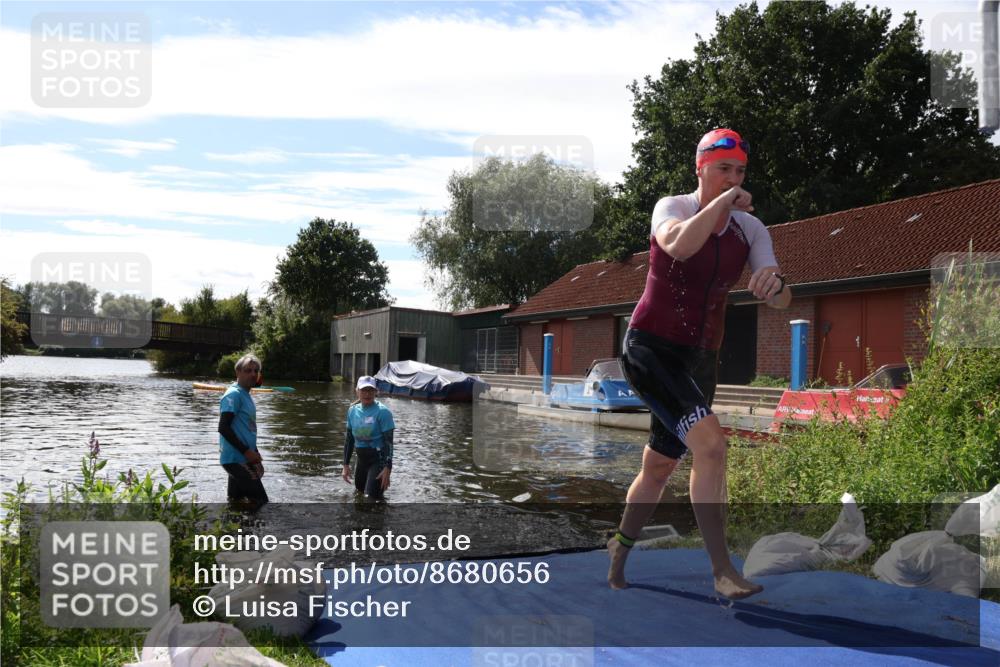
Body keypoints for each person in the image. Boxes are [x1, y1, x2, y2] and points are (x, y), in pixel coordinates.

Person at [607, 128, 791, 599]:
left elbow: (780, 293)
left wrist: (774, 287)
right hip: (650, 349)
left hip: (700, 359)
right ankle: (722, 570)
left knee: (658, 468)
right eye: (723, 169)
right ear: (701, 168)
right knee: (711, 446)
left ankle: (619, 549)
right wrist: (724, 202)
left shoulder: (751, 229)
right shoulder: (673, 207)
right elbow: (681, 247)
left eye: (740, 171)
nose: (733, 178)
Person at [217, 354, 269, 509]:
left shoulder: (244, 394)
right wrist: (247, 452)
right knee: (262, 502)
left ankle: (233, 531)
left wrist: (255, 455)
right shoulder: (234, 394)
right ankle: (249, 532)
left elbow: (246, 430)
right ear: (238, 372)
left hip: (241, 457)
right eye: (248, 370)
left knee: (235, 503)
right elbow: (223, 428)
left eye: (256, 371)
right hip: (236, 459)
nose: (253, 374)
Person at [342, 376, 395, 500]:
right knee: (359, 494)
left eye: (370, 390)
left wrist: (388, 468)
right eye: (364, 390)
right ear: (357, 391)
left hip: (378, 461)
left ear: (376, 391)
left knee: (371, 498)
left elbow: (389, 443)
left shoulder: (383, 412)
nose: (367, 394)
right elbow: (349, 440)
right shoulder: (352, 410)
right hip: (361, 460)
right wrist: (345, 465)